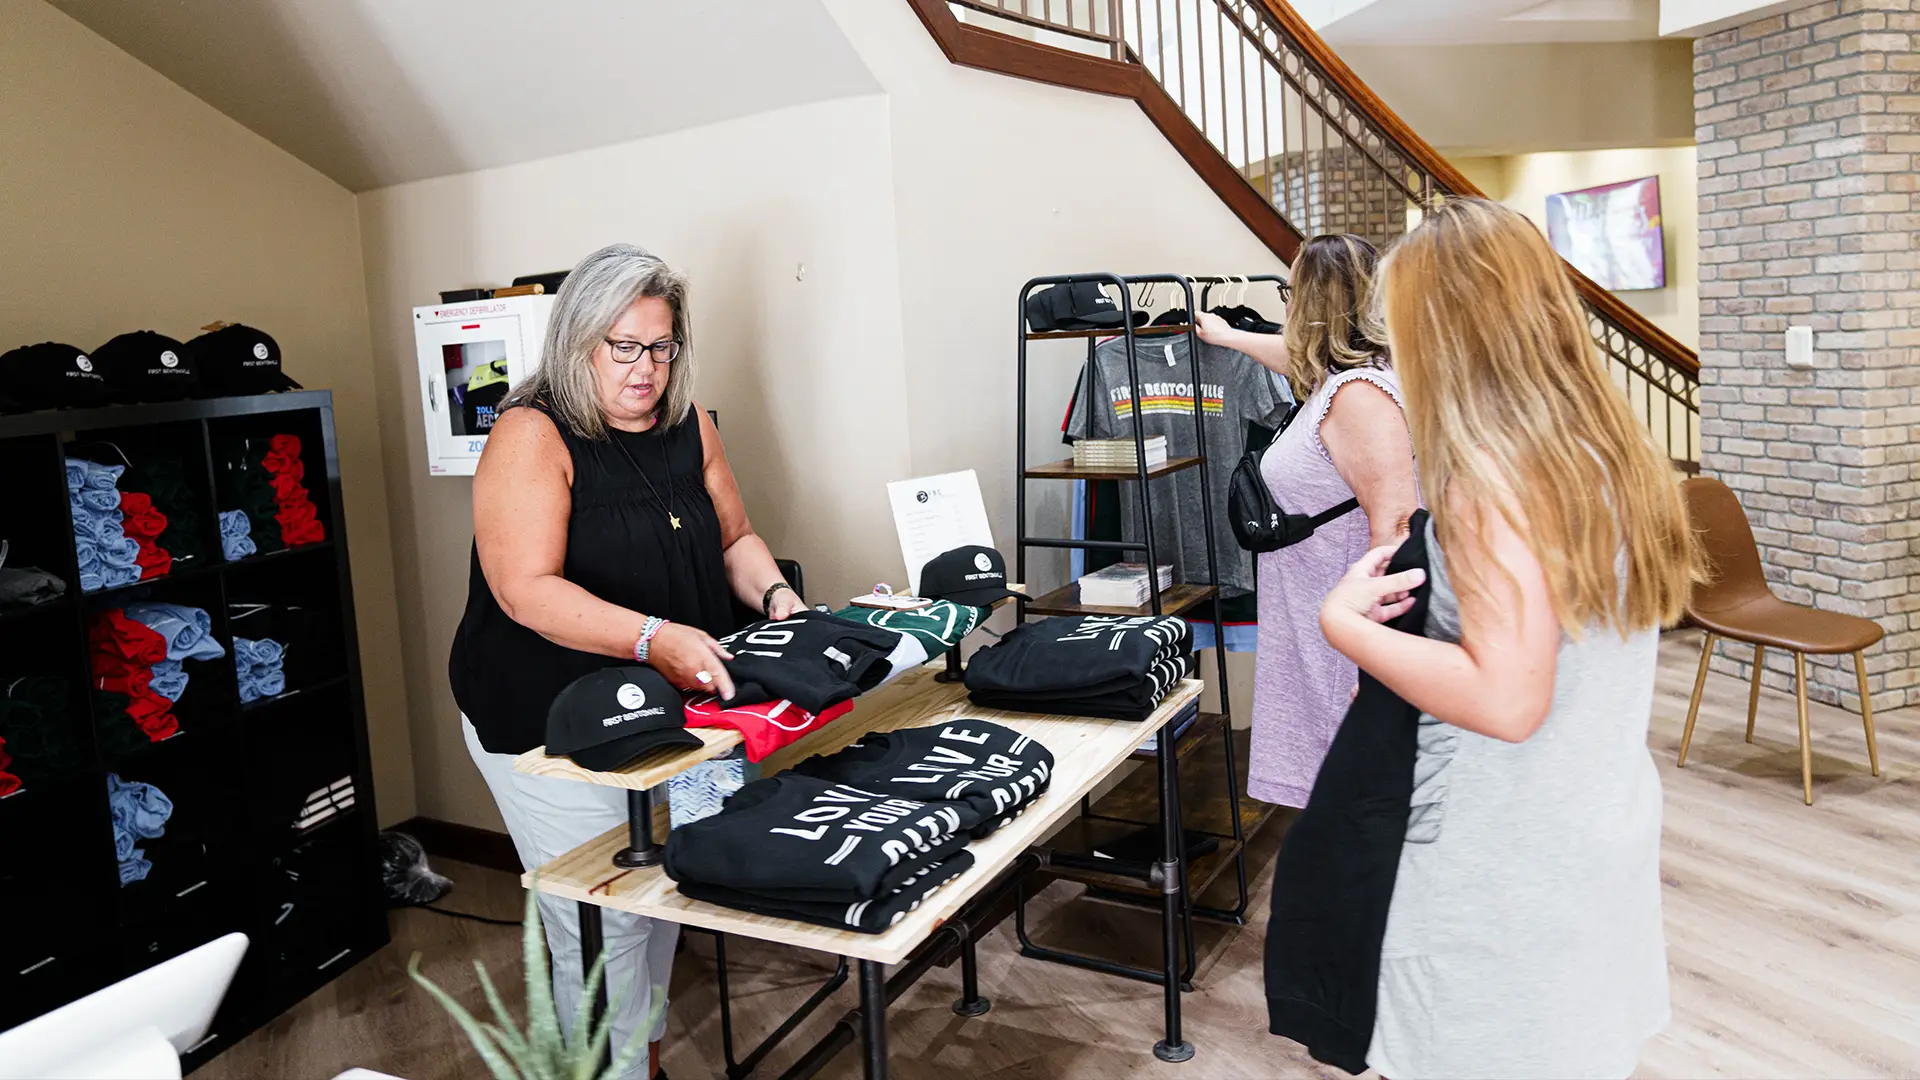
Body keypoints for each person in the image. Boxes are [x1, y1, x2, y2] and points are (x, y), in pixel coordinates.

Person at [1317, 197, 1698, 1077]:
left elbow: (1506, 698)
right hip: (1589, 818)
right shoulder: (1606, 451)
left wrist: (1345, 627)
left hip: (1502, 862)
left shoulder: (1494, 484)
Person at [449, 243, 804, 1079]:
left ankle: (638, 1063)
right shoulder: (531, 434)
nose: (646, 369)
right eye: (625, 348)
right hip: (545, 718)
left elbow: (736, 540)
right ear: (578, 341)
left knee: (665, 893)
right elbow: (524, 589)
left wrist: (779, 603)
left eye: (662, 346)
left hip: (669, 710)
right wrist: (655, 638)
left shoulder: (689, 423)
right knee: (606, 924)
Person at [1198, 234, 1420, 808]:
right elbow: (1298, 362)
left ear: (1315, 301)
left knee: (1352, 798)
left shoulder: (1362, 396)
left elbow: (1396, 531)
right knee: (1335, 799)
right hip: (1314, 621)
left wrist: (1375, 666)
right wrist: (1227, 337)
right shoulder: (1342, 378)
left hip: (1345, 640)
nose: (1285, 302)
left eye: (1291, 290)